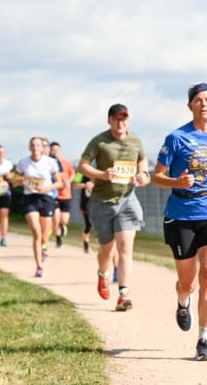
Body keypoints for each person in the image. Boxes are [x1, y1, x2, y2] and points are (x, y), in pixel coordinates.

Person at [153, 83, 207, 361]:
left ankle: (204, 339)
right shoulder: (176, 138)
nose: (204, 104)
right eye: (198, 100)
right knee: (189, 283)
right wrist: (177, 181)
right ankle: (183, 302)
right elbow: (156, 176)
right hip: (181, 214)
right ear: (190, 106)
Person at [77, 103, 150, 312]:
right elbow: (82, 166)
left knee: (125, 247)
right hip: (102, 202)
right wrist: (102, 174)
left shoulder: (135, 140)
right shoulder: (100, 141)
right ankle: (102, 274)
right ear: (109, 120)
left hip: (127, 199)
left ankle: (123, 294)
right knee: (107, 251)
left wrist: (142, 175)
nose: (121, 122)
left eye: (124, 118)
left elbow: (143, 163)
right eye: (117, 119)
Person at [12, 137, 64, 277]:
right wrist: (20, 180)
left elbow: (60, 183)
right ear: (29, 147)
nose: (35, 147)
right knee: (36, 231)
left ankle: (43, 246)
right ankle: (39, 266)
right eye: (33, 145)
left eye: (38, 145)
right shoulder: (23, 163)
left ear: (42, 147)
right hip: (30, 198)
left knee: (44, 234)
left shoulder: (50, 162)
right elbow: (13, 181)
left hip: (46, 198)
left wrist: (46, 188)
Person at [48, 142, 76, 249]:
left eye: (56, 150)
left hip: (66, 195)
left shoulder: (66, 162)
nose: (54, 152)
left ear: (60, 150)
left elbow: (75, 174)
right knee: (56, 219)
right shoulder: (49, 163)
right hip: (54, 195)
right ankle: (58, 239)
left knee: (64, 220)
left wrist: (69, 181)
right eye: (52, 150)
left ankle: (63, 226)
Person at [72, 171, 95, 253]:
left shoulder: (102, 166)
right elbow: (75, 185)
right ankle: (86, 244)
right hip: (86, 203)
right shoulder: (80, 172)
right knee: (88, 225)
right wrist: (86, 185)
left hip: (99, 202)